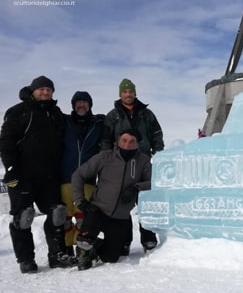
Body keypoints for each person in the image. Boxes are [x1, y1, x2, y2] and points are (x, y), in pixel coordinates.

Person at [0, 76, 77, 273]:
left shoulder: (56, 113)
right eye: (41, 89)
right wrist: (10, 169)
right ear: (33, 91)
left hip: (49, 176)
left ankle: (56, 255)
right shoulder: (18, 112)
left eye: (49, 90)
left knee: (57, 213)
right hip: (22, 176)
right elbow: (6, 143)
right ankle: (25, 259)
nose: (45, 92)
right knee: (24, 217)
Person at [72, 129, 152, 270]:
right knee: (88, 231)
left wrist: (136, 187)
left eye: (132, 141)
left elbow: (154, 181)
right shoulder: (104, 157)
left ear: (138, 144)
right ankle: (84, 251)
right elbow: (78, 175)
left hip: (120, 216)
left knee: (111, 257)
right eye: (124, 140)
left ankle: (95, 248)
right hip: (98, 209)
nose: (127, 144)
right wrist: (80, 201)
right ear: (117, 142)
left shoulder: (143, 161)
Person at [100, 78, 164, 253]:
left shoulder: (147, 114)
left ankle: (149, 239)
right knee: (122, 204)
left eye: (130, 91)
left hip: (143, 161)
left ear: (135, 93)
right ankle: (124, 241)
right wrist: (107, 159)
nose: (128, 94)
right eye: (125, 92)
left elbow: (157, 134)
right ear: (120, 94)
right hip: (121, 163)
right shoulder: (113, 116)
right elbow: (106, 139)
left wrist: (158, 153)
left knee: (145, 202)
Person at [60, 91, 105, 256]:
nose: (81, 105)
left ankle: (82, 250)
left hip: (87, 179)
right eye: (78, 102)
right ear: (73, 105)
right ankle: (66, 250)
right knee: (64, 219)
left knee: (82, 218)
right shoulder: (64, 121)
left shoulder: (98, 123)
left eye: (85, 102)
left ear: (90, 105)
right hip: (65, 177)